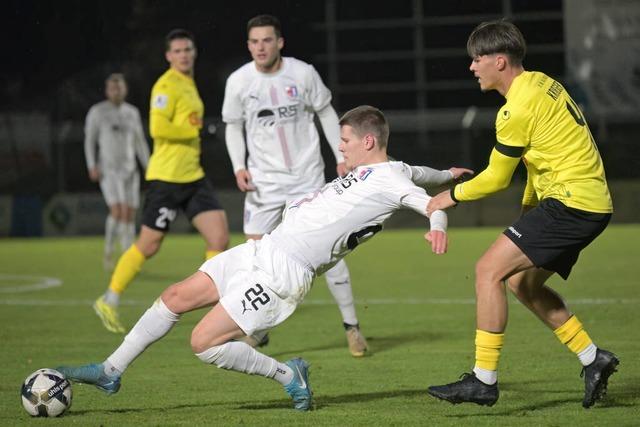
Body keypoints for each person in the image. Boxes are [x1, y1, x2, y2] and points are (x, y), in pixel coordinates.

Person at [56, 105, 461, 411]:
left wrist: (437, 227)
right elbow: (419, 172)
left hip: (285, 273)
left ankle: (288, 374)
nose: (341, 149)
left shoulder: (389, 180)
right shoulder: (389, 168)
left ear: (368, 141)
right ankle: (111, 371)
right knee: (176, 296)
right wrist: (445, 172)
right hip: (263, 248)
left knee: (204, 342)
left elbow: (432, 205)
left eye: (345, 142)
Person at [426, 20, 618, 409]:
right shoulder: (542, 82)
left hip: (571, 203)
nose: (472, 67)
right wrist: (530, 210)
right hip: (587, 203)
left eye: (477, 59)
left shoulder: (516, 108)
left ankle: (484, 380)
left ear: (499, 61)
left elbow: (497, 178)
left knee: (487, 271)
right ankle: (592, 358)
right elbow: (538, 159)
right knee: (522, 285)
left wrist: (450, 196)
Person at [224, 15, 396, 356]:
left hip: (306, 178)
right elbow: (232, 126)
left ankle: (352, 329)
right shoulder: (239, 81)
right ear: (248, 46)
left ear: (280, 42)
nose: (261, 47)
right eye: (255, 42)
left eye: (267, 40)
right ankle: (258, 330)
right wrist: (239, 166)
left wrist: (341, 155)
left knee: (329, 253)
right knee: (256, 258)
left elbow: (327, 113)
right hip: (264, 184)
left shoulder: (302, 73)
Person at [92, 29, 229, 334]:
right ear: (168, 56)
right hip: (167, 179)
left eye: (187, 49)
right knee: (149, 245)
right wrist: (198, 132)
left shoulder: (189, 84)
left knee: (218, 237)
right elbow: (157, 127)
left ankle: (219, 304)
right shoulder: (165, 85)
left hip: (193, 176)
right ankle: (109, 299)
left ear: (194, 52)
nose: (183, 54)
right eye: (177, 50)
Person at [84, 73, 150, 270]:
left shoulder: (132, 112)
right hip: (109, 170)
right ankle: (108, 253)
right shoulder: (97, 112)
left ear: (125, 90)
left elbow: (139, 142)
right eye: (113, 88)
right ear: (107, 91)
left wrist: (149, 167)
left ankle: (127, 258)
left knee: (129, 213)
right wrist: (91, 165)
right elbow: (90, 140)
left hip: (130, 170)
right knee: (118, 211)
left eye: (119, 87)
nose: (116, 91)